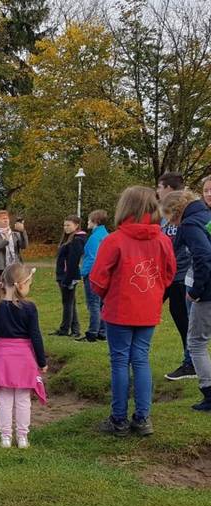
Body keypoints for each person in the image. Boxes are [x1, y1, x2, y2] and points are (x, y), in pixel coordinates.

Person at [90, 186, 176, 436]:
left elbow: (98, 278)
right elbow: (169, 274)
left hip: (120, 308)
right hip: (147, 308)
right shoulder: (163, 240)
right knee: (140, 359)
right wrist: (154, 293)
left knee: (119, 361)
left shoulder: (114, 240)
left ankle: (118, 419)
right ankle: (142, 418)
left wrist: (107, 295)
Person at [0, 263, 47, 449]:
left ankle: (6, 438)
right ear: (22, 284)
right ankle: (23, 437)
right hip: (24, 359)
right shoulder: (30, 308)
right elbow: (35, 336)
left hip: (3, 359)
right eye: (30, 283)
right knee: (23, 399)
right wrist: (42, 361)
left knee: (4, 399)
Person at [170, 190, 211, 411]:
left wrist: (196, 290)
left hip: (206, 292)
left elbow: (204, 256)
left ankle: (209, 392)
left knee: (196, 343)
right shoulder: (206, 216)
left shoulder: (189, 224)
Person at [156, 172, 195, 380]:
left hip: (182, 275)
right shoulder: (163, 215)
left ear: (169, 189)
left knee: (184, 320)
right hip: (166, 275)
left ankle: (191, 363)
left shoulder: (187, 212)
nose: (157, 191)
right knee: (153, 312)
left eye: (160, 187)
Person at [77, 210, 109, 342]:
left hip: (93, 274)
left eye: (89, 220)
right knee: (102, 303)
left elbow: (91, 258)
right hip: (104, 274)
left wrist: (82, 273)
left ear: (95, 221)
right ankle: (102, 331)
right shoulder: (106, 235)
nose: (87, 222)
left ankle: (92, 332)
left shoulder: (94, 238)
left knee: (93, 304)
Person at [52, 216, 86, 337]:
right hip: (63, 274)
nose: (66, 228)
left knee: (67, 303)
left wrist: (68, 279)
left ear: (76, 225)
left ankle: (65, 329)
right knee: (70, 302)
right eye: (65, 225)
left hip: (68, 276)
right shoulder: (68, 239)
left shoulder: (77, 240)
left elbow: (73, 261)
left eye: (68, 225)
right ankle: (75, 329)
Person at [0, 211, 28, 294]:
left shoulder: (15, 234)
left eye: (7, 218)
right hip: (1, 269)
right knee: (1, 293)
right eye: (3, 218)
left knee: (17, 293)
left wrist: (22, 231)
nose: (6, 220)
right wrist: (4, 241)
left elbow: (24, 246)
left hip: (15, 268)